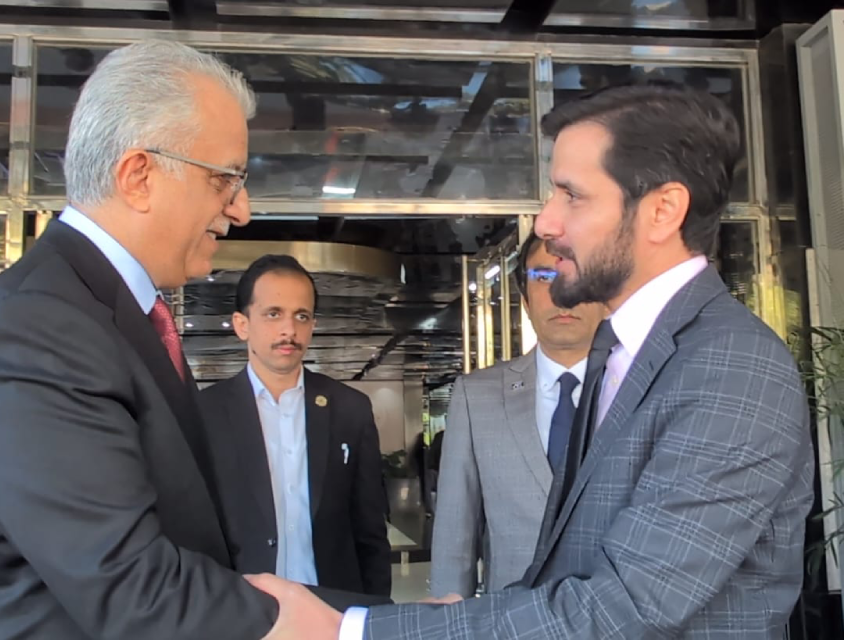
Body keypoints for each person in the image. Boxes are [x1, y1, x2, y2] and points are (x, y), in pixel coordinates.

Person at [246, 81, 814, 639]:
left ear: (662, 211)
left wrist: (354, 629)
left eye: (572, 194)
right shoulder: (618, 353)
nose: (546, 222)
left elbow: (626, 607)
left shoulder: (732, 370)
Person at [0, 41, 279, 639]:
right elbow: (137, 590)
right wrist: (363, 628)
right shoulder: (33, 329)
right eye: (225, 179)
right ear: (138, 176)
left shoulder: (102, 312)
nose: (240, 209)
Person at [200, 254, 391, 597]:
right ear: (242, 324)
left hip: (332, 609)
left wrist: (376, 613)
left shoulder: (350, 409)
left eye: (301, 316)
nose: (289, 330)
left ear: (313, 324)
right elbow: (195, 532)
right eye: (273, 314)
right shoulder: (205, 412)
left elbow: (370, 531)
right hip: (241, 612)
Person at [430, 232, 602, 598]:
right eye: (544, 277)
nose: (563, 293)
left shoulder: (642, 391)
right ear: (525, 299)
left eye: (579, 273)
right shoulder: (477, 398)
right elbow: (454, 543)